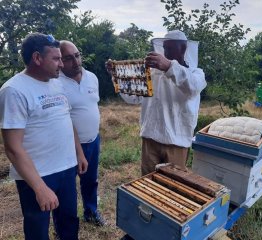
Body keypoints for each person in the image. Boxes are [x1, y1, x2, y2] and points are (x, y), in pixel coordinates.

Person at [0, 33, 88, 240]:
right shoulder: (13, 90)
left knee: (68, 221)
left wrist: (79, 153)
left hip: (66, 168)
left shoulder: (56, 82)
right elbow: (13, 147)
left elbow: (67, 120)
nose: (62, 64)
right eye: (56, 59)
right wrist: (40, 187)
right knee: (37, 229)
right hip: (38, 175)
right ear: (37, 58)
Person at [118, 30, 207, 175]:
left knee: (172, 186)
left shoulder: (196, 73)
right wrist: (118, 77)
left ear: (183, 49)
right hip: (150, 139)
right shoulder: (153, 74)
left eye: (169, 48)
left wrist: (169, 67)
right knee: (148, 184)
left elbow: (192, 87)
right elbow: (133, 98)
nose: (165, 52)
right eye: (165, 48)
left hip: (176, 143)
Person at [57, 40, 105, 226]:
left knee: (90, 181)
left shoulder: (92, 77)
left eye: (77, 55)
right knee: (66, 187)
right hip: (67, 144)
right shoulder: (55, 82)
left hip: (93, 140)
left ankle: (91, 213)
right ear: (60, 61)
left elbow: (92, 105)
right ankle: (66, 225)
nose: (76, 62)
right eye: (68, 58)